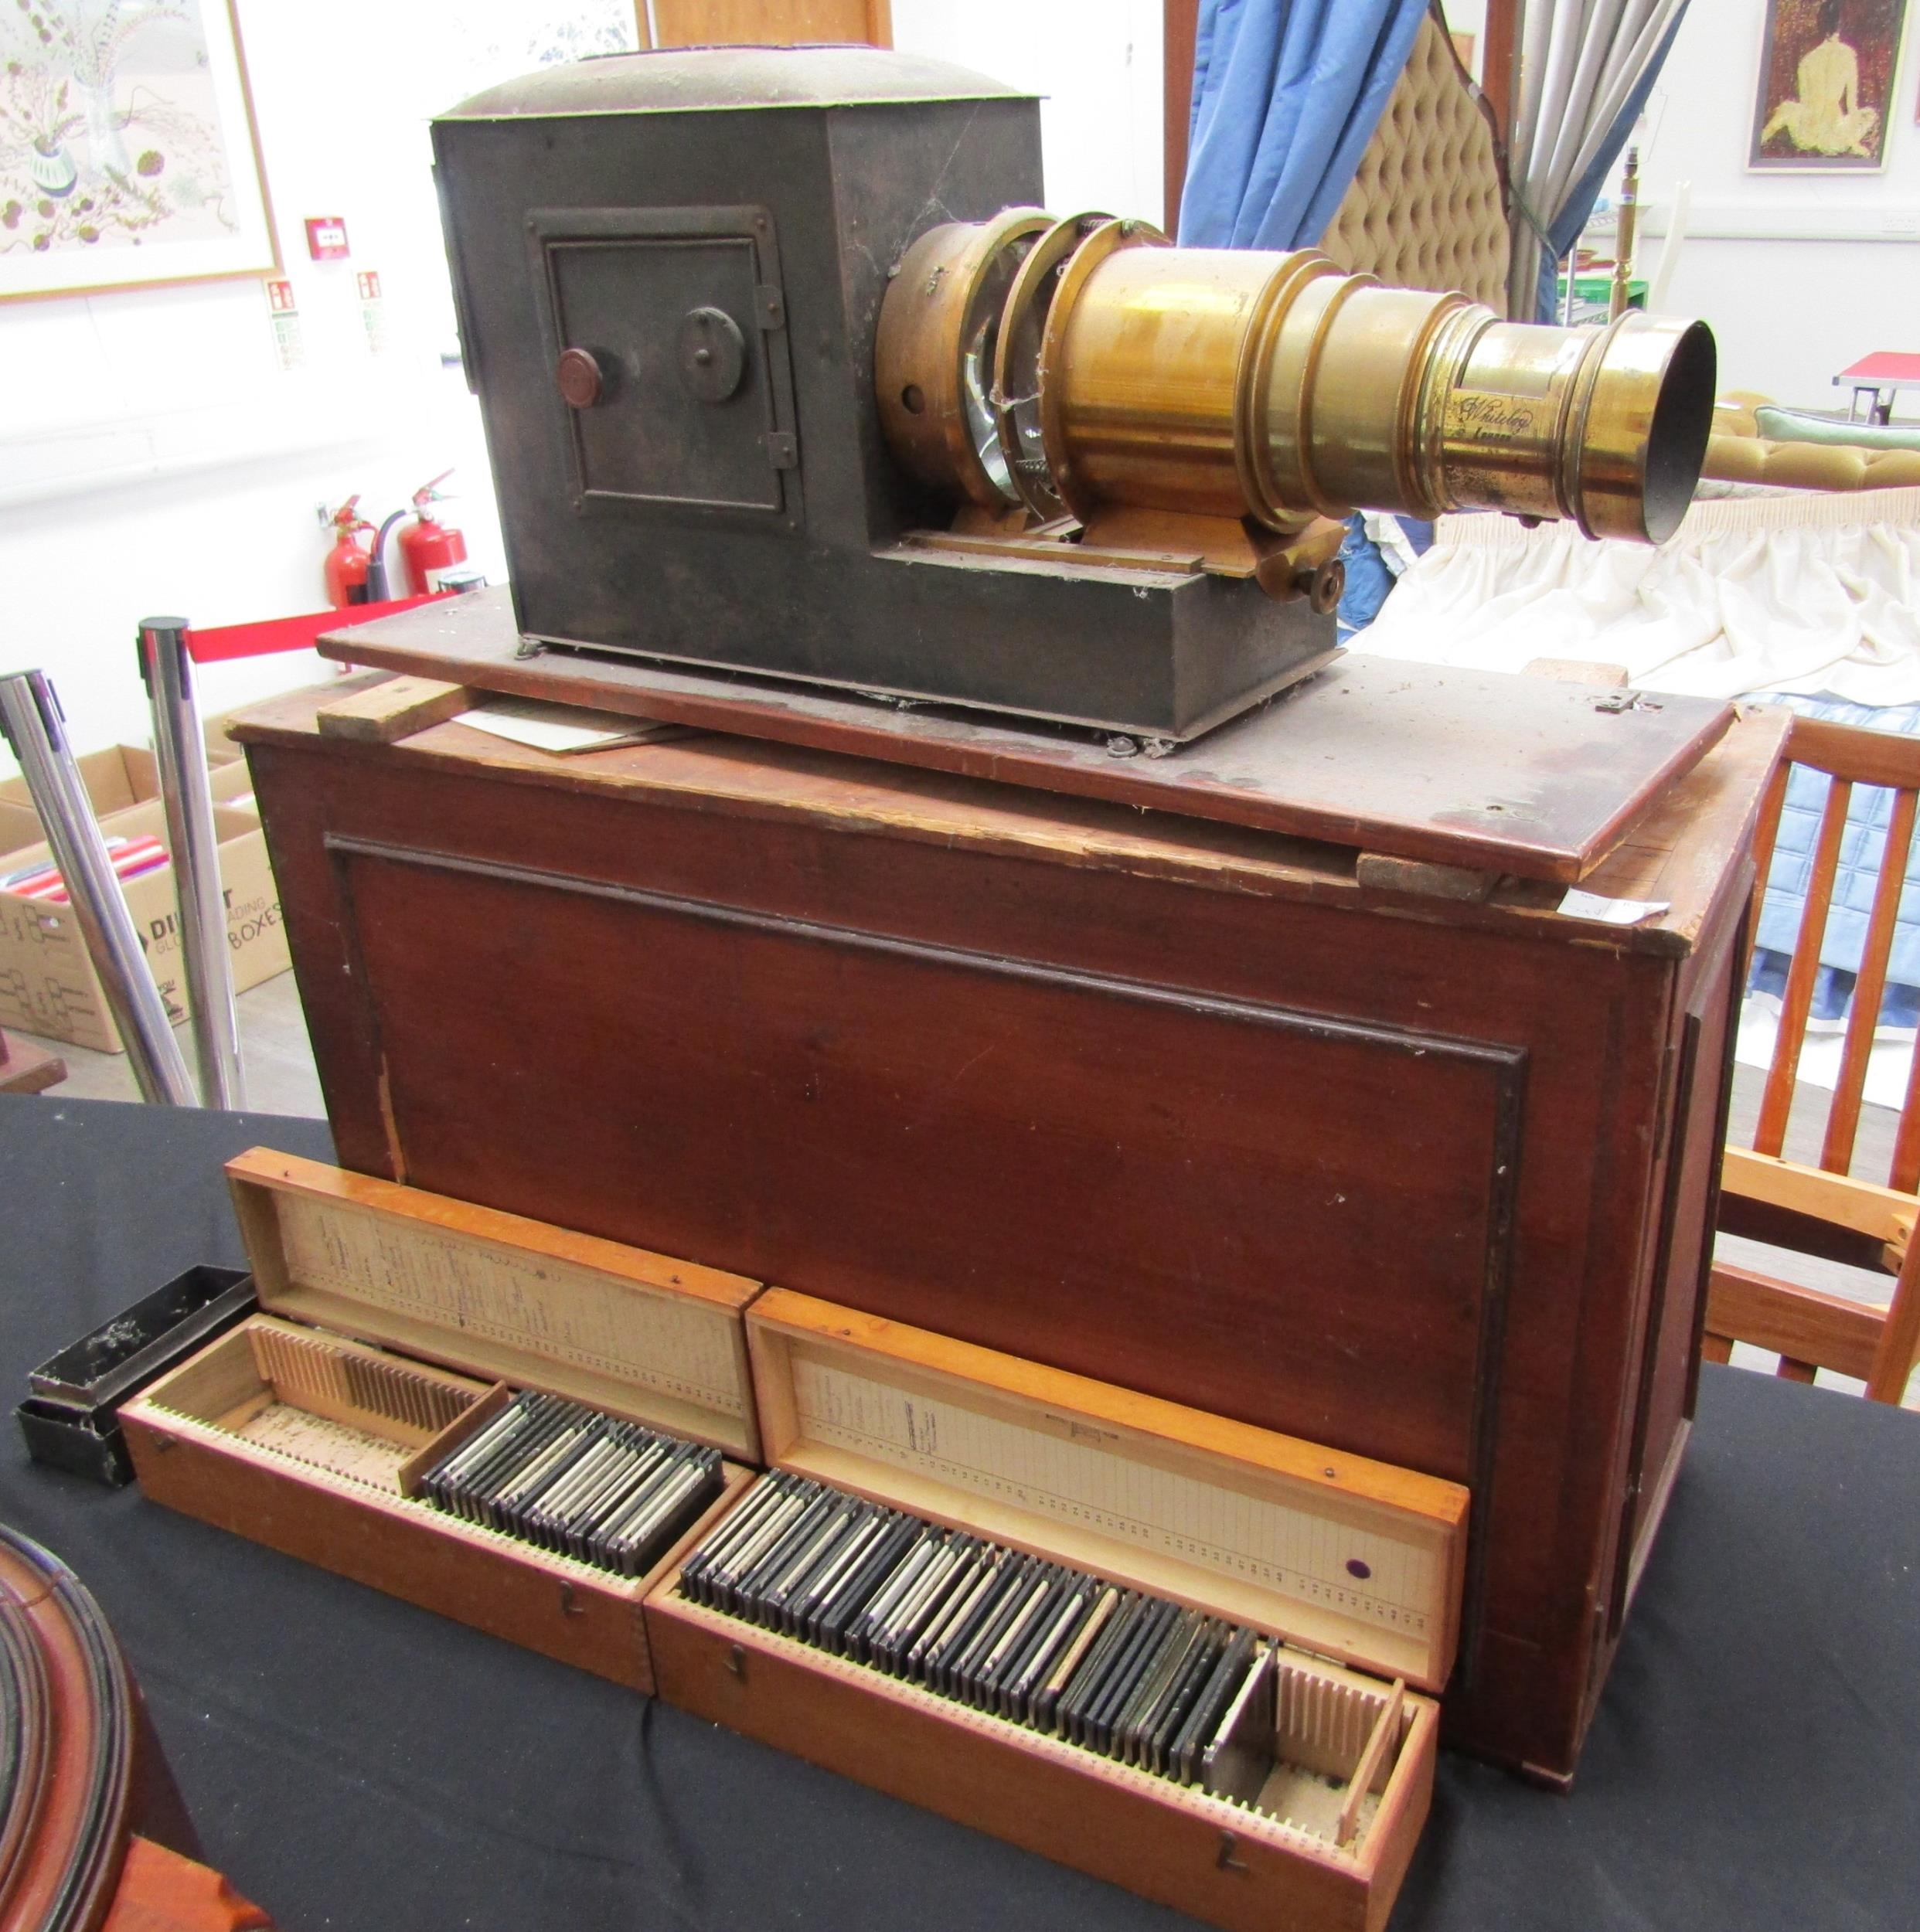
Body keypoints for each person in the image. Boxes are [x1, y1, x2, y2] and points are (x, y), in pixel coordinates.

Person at [1762, 0, 1881, 158]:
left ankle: (1761, 138)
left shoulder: (1807, 60)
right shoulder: (1848, 55)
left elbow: (1805, 103)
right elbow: (1851, 105)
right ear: (1841, 24)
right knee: (1870, 115)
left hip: (1808, 133)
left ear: (1820, 25)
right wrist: (1853, 142)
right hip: (1834, 135)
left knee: (1787, 109)